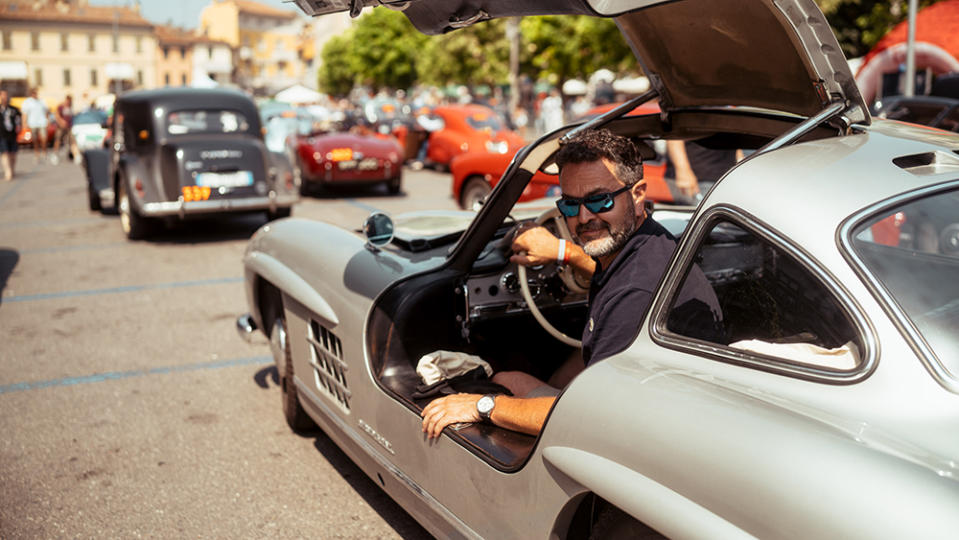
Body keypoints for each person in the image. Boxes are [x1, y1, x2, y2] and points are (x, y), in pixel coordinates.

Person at [421, 129, 722, 438]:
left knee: (502, 386)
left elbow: (591, 417)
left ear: (638, 194)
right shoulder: (644, 246)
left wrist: (482, 406)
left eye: (599, 200)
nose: (583, 217)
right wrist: (563, 252)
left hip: (635, 433)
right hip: (651, 408)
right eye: (569, 204)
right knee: (514, 378)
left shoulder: (636, 292)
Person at [665, 140, 741, 204]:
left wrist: (740, 160)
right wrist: (683, 170)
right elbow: (674, 138)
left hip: (725, 178)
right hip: (699, 179)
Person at [21, 89, 50, 163]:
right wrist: (24, 123)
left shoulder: (42, 101)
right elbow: (25, 113)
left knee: (44, 138)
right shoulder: (27, 102)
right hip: (33, 123)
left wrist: (48, 120)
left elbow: (46, 111)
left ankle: (44, 152)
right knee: (35, 139)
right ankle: (36, 153)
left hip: (42, 122)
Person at [0, 90, 22, 181]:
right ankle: (7, 171)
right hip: (2, 134)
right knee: (5, 153)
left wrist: (19, 127)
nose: (4, 98)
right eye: (2, 96)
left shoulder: (14, 109)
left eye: (5, 96)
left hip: (12, 134)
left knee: (13, 154)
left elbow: (19, 120)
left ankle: (12, 169)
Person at [53, 94, 76, 164]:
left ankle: (76, 155)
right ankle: (55, 155)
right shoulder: (61, 107)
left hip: (69, 127)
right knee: (58, 140)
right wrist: (61, 122)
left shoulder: (70, 107)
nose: (69, 102)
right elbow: (57, 115)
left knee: (72, 141)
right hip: (61, 127)